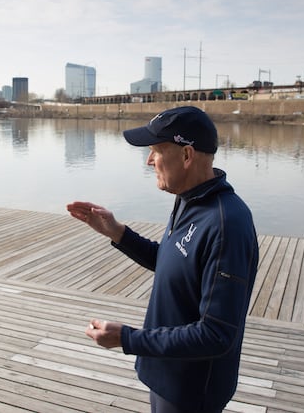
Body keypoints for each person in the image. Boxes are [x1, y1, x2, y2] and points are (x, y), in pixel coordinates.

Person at [67, 105, 259, 413]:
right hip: (166, 372)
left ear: (186, 156)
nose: (149, 160)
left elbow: (216, 334)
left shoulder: (227, 225)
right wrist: (118, 233)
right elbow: (174, 264)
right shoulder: (189, 199)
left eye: (156, 150)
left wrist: (127, 338)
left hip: (192, 389)